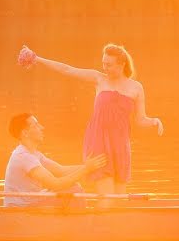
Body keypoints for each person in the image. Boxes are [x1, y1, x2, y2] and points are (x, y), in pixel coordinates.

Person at [17, 43, 163, 207]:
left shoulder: (136, 88)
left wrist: (153, 121)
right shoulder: (98, 79)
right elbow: (68, 70)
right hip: (99, 142)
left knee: (120, 201)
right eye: (103, 63)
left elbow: (140, 119)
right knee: (107, 199)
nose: (105, 68)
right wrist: (37, 59)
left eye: (109, 64)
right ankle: (96, 229)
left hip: (121, 145)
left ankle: (115, 231)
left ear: (122, 64)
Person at [4, 112, 107, 207]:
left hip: (31, 201)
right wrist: (86, 169)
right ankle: (84, 223)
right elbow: (56, 184)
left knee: (73, 187)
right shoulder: (24, 156)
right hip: (21, 208)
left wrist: (92, 165)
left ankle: (77, 222)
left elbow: (61, 170)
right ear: (25, 133)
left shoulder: (34, 154)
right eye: (36, 125)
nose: (42, 128)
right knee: (75, 190)